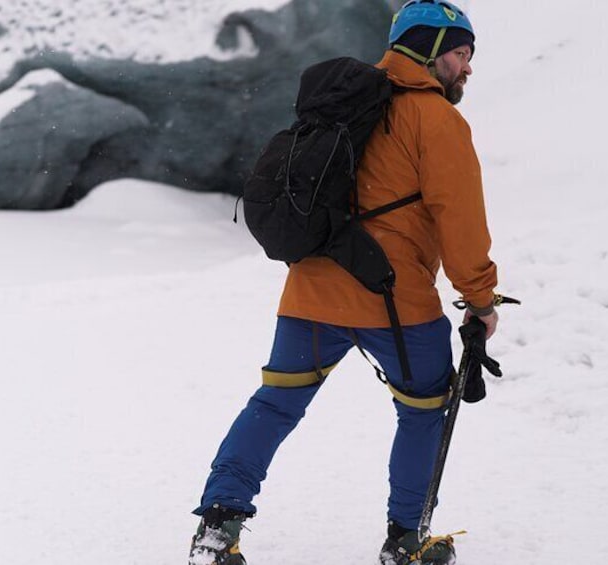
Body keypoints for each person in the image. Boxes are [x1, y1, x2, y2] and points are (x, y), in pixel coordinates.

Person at [189, 1, 498, 564]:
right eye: (460, 53)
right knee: (425, 410)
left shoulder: (345, 102)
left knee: (275, 405)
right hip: (395, 301)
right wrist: (480, 299)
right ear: (430, 51)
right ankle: (405, 540)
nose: (467, 68)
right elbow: (461, 221)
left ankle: (217, 529)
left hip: (309, 289)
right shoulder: (437, 119)